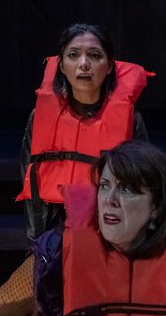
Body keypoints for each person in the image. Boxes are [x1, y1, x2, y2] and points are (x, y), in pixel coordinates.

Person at [0, 140, 166, 316]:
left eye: (126, 189)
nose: (109, 199)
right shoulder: (57, 252)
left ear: (156, 207)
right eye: (104, 186)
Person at [15, 23, 151, 241]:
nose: (84, 64)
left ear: (109, 66)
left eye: (95, 56)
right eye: (73, 55)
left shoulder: (131, 120)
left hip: (108, 230)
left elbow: (142, 182)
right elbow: (29, 172)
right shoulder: (39, 117)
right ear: (61, 65)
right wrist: (38, 241)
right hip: (52, 228)